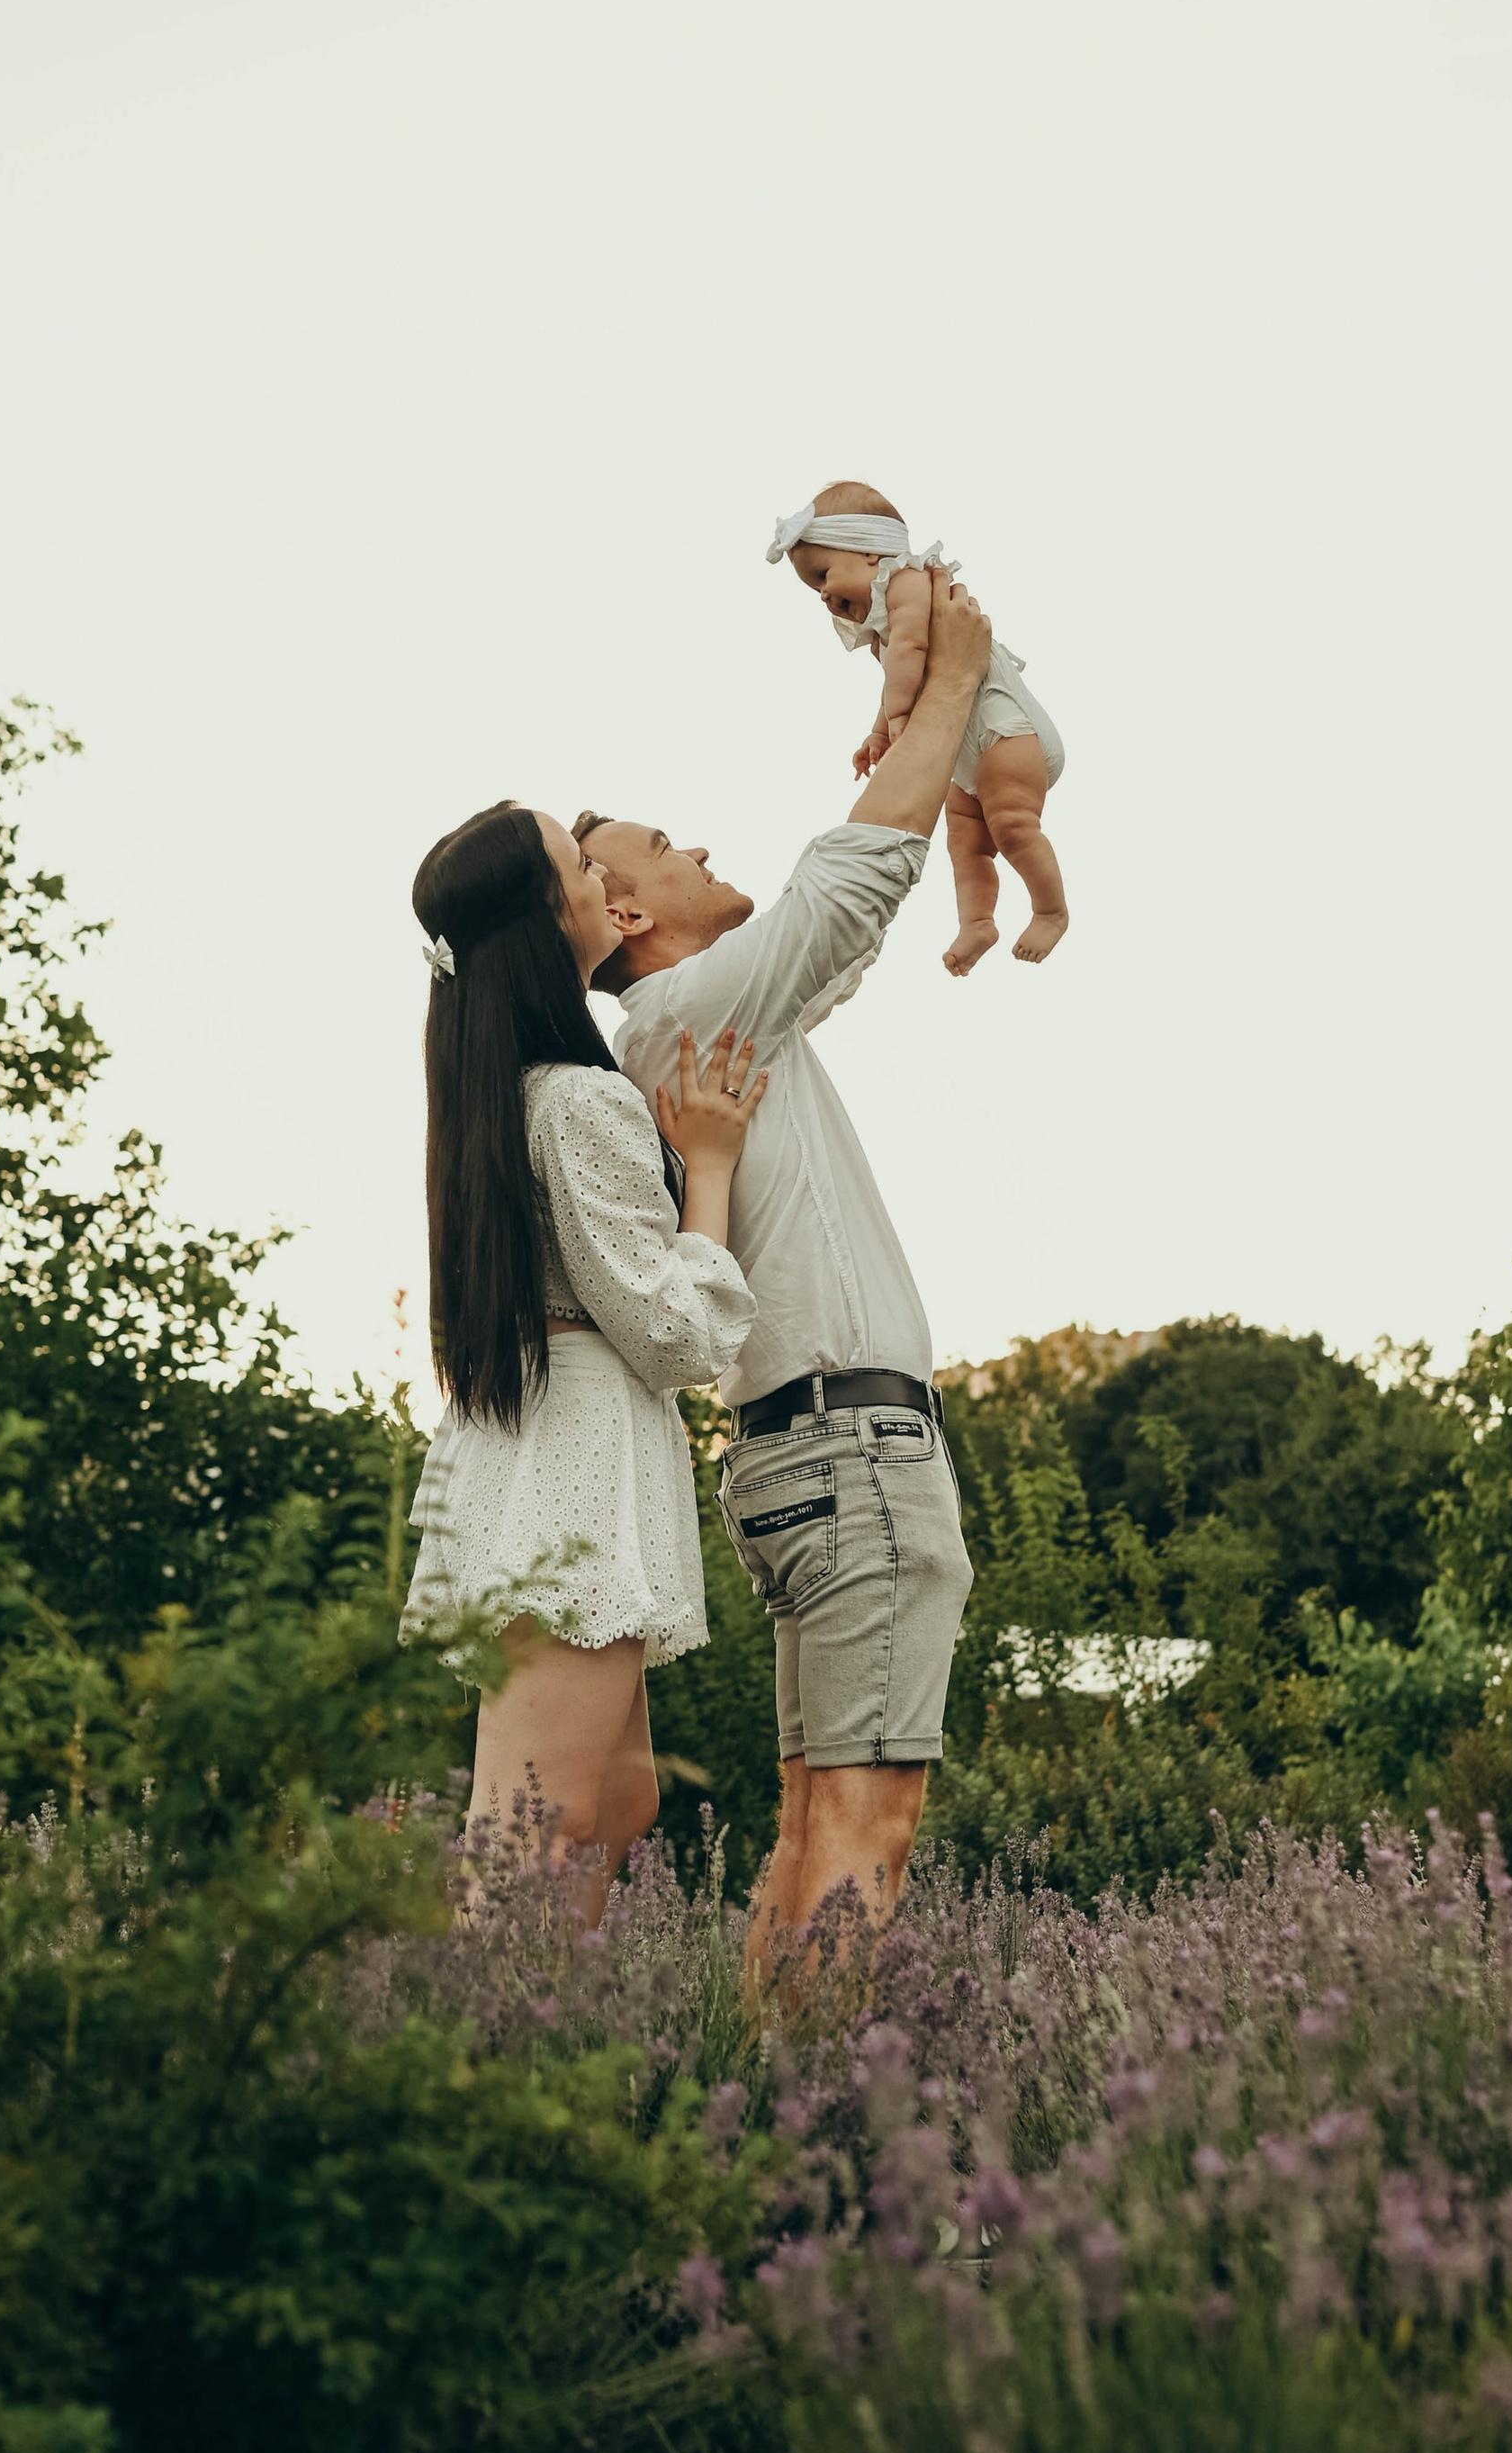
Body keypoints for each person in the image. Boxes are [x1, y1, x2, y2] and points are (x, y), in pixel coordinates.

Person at [573, 572, 996, 1980]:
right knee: (865, 1836)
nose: (699, 846)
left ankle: (765, 2137)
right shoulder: (689, 1008)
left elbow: (841, 931)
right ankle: (829, 2168)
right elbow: (853, 877)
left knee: (816, 1828)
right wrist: (956, 678)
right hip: (854, 1454)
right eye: (665, 845)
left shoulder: (699, 1027)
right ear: (628, 909)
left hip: (802, 1455)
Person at [401, 798, 766, 1923]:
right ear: (544, 917)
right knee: (538, 1829)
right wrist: (706, 1166)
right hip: (576, 1460)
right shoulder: (580, 1100)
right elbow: (672, 1334)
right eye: (577, 867)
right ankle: (469, 2081)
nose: (602, 885)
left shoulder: (500, 1093)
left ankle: (537, 2047)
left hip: (547, 1442)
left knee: (614, 1803)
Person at [769, 479, 1069, 974]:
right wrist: (882, 732)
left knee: (1013, 826)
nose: (822, 594)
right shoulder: (883, 624)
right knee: (965, 840)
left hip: (1007, 733)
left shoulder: (909, 582)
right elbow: (896, 678)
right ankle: (978, 922)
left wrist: (904, 723)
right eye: (813, 589)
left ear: (870, 553)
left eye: (823, 574)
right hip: (968, 753)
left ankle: (1050, 911)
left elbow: (909, 657)